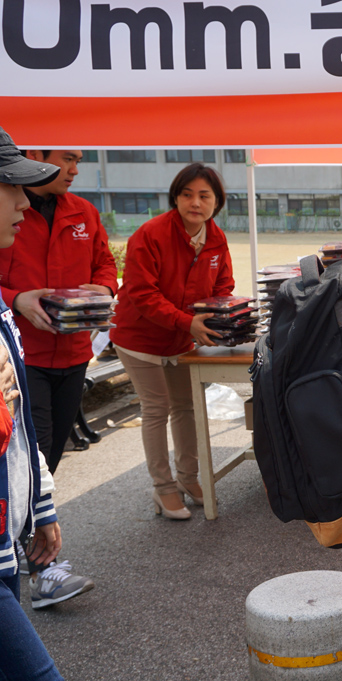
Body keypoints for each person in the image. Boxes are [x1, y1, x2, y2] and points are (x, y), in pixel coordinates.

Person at [0, 146, 107, 608]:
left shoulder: (84, 211)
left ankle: (28, 542)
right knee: (33, 446)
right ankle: (43, 568)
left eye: (79, 160)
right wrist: (17, 297)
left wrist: (104, 287)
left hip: (75, 350)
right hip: (24, 357)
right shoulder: (9, 210)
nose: (74, 170)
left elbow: (105, 264)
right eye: (66, 158)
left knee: (49, 454)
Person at [110, 163, 234, 521]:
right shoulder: (150, 234)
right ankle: (163, 488)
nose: (195, 202)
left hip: (183, 338)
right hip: (140, 338)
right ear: (176, 197)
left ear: (217, 202)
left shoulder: (216, 237)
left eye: (204, 195)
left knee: (187, 406)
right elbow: (141, 293)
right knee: (157, 408)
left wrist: (218, 315)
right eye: (187, 194)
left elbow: (223, 285)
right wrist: (187, 322)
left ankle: (189, 478)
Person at [0, 125, 67, 680]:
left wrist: (38, 508)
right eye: (11, 186)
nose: (24, 200)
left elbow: (15, 428)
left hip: (8, 543)